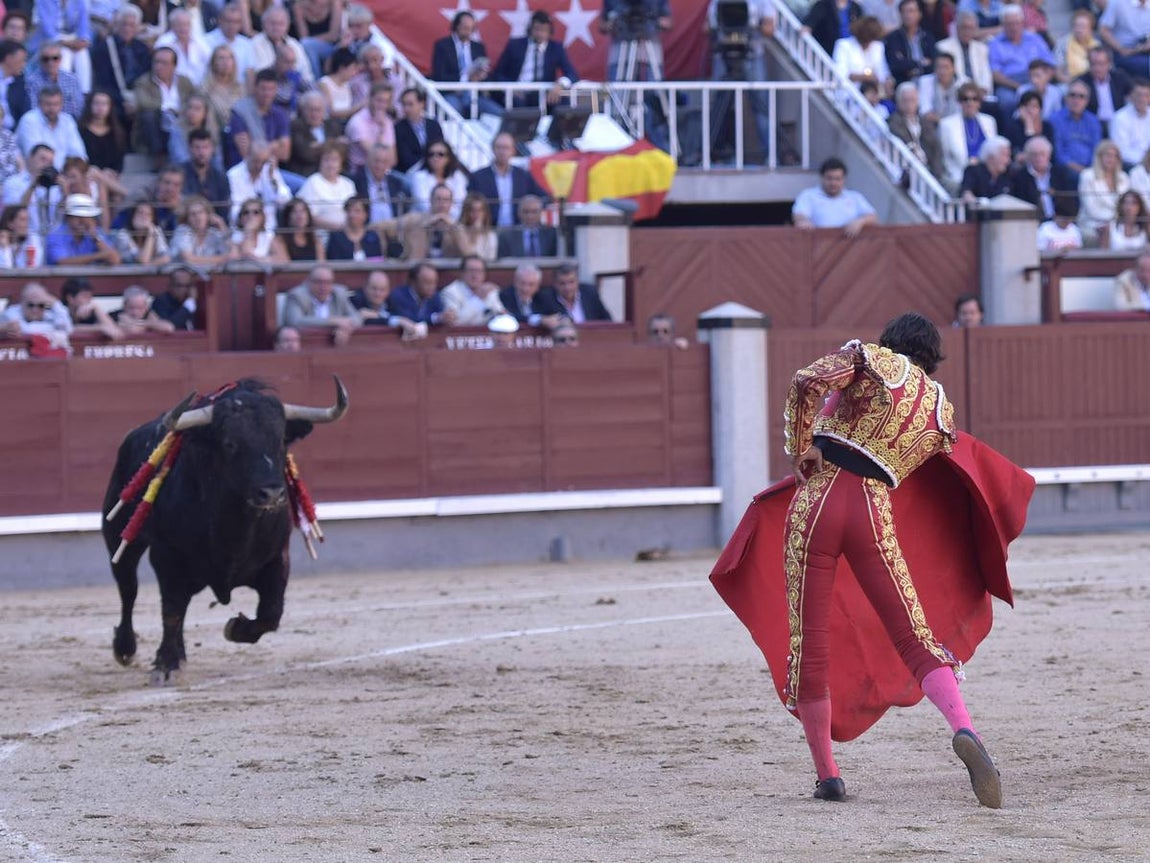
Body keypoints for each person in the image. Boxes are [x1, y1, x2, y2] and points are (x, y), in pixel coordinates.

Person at [710, 312, 1035, 809]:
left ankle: (829, 776)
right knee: (913, 636)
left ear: (892, 342)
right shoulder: (940, 407)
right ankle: (965, 728)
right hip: (872, 511)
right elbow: (940, 477)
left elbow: (807, 381)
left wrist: (800, 449)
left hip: (816, 502)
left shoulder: (868, 358)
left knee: (810, 643)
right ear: (932, 359)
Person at [491, 11, 579, 109]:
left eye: (544, 30)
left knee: (563, 101)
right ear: (530, 29)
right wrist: (511, 88)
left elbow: (572, 74)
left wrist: (560, 84)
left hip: (544, 94)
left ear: (550, 32)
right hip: (519, 93)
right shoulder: (514, 45)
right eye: (537, 29)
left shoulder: (556, 48)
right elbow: (497, 74)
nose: (540, 33)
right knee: (516, 103)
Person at [431, 11, 501, 119]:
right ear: (456, 26)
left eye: (470, 28)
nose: (467, 31)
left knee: (499, 113)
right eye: (464, 27)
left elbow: (486, 73)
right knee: (453, 113)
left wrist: (481, 76)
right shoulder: (443, 46)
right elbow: (439, 76)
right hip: (452, 93)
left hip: (474, 95)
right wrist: (466, 78)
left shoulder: (478, 47)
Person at [468, 132, 548, 227]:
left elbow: (544, 197)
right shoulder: (478, 177)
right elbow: (469, 203)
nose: (502, 152)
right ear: (493, 149)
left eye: (506, 148)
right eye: (499, 147)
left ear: (513, 151)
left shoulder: (523, 176)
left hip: (517, 230)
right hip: (489, 229)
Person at [89, 5, 152, 124]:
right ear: (117, 25)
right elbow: (103, 83)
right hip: (115, 99)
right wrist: (123, 102)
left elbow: (146, 78)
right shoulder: (104, 48)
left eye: (132, 25)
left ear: (138, 27)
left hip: (138, 99)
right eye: (124, 24)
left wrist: (137, 101)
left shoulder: (143, 49)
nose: (127, 29)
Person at [988, 4, 1055, 117]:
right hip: (1010, 83)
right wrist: (1018, 87)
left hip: (1037, 78)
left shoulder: (1034, 38)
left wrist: (1043, 81)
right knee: (1007, 101)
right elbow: (996, 74)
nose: (1013, 27)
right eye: (1009, 24)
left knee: (1057, 94)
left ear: (1022, 23)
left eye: (1016, 23)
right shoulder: (995, 43)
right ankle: (1012, 132)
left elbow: (1050, 64)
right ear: (1003, 25)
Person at [226, 68, 293, 174]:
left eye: (271, 89)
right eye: (263, 88)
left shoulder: (280, 114)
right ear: (255, 88)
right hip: (244, 171)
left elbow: (285, 153)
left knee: (300, 185)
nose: (267, 93)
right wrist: (276, 144)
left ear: (276, 90)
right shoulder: (241, 112)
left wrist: (257, 146)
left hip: (271, 171)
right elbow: (246, 152)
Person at [792, 157, 878, 234]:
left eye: (837, 179)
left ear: (844, 179)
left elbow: (873, 217)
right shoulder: (808, 195)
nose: (833, 183)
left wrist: (860, 222)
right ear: (822, 177)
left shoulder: (855, 197)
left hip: (850, 248)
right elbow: (799, 215)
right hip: (818, 248)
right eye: (829, 178)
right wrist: (804, 222)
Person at [939, 83, 999, 192]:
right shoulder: (946, 124)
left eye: (974, 99)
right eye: (965, 99)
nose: (969, 103)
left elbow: (994, 150)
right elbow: (945, 157)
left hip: (986, 174)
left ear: (979, 102)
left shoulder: (989, 121)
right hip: (959, 175)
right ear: (959, 102)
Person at [281, 264, 361, 345]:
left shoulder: (339, 294)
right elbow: (295, 322)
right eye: (319, 282)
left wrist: (345, 328)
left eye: (328, 282)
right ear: (308, 282)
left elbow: (357, 318)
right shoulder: (297, 295)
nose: (323, 287)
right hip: (306, 345)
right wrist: (332, 321)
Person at [15, 84, 86, 169]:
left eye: (56, 104)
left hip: (65, 175)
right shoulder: (29, 120)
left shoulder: (68, 121)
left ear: (62, 104)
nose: (52, 108)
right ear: (39, 104)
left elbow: (78, 153)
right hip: (36, 175)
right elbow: (36, 158)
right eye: (48, 104)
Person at [1, 144, 62, 237]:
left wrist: (66, 192)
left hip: (53, 238)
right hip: (25, 238)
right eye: (43, 159)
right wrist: (33, 185)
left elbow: (62, 215)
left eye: (50, 162)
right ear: (30, 158)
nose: (46, 165)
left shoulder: (56, 187)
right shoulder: (13, 182)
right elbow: (13, 213)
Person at [226, 145, 293, 229]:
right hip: (242, 230)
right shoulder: (233, 176)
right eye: (256, 161)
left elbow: (286, 201)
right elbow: (234, 212)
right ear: (247, 156)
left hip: (269, 231)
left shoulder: (269, 171)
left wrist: (273, 180)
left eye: (263, 162)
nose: (259, 166)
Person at [45, 192, 120, 265]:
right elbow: (62, 262)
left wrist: (95, 238)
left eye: (86, 218)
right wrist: (98, 256)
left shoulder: (96, 233)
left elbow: (115, 260)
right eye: (78, 217)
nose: (82, 222)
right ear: (68, 218)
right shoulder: (56, 235)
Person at [1009, 135, 1074, 219]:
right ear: (1028, 156)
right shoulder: (1020, 177)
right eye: (1034, 154)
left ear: (1049, 155)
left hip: (1058, 222)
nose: (1038, 158)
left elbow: (1069, 201)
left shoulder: (1060, 174)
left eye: (1042, 154)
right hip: (1032, 221)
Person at [888, 82, 944, 179]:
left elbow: (936, 148)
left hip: (931, 172)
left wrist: (936, 174)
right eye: (905, 101)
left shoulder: (925, 123)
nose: (909, 105)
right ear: (898, 102)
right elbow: (903, 138)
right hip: (910, 173)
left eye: (912, 100)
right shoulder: (893, 121)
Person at [1078, 138, 1129, 243]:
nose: (1111, 159)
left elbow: (1126, 204)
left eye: (1114, 156)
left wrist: (1116, 221)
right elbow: (1091, 209)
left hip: (1119, 223)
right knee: (1107, 232)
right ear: (1099, 157)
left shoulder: (1123, 177)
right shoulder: (1087, 176)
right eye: (1108, 155)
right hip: (1092, 223)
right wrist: (1112, 221)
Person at [1050, 81, 1103, 180]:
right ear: (1066, 98)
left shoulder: (1093, 121)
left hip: (1090, 168)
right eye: (1072, 95)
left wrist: (1090, 169)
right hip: (1065, 168)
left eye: (1081, 96)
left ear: (1087, 101)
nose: (1076, 100)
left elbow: (1097, 149)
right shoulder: (1055, 120)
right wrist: (1079, 169)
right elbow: (1058, 153)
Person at [298, 141, 356, 231]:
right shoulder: (313, 182)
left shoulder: (348, 184)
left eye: (335, 160)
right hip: (323, 234)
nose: (330, 165)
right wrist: (337, 227)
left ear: (341, 163)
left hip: (347, 234)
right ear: (320, 162)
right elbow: (308, 216)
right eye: (326, 160)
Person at [250, 5, 313, 86]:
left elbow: (306, 72)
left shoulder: (294, 44)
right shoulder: (255, 43)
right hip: (268, 89)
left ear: (287, 26)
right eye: (273, 23)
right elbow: (259, 71)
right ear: (263, 24)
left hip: (295, 88)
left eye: (281, 24)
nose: (276, 27)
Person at [1075, 47, 1132, 136]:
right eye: (1093, 64)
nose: (1097, 68)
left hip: (1118, 124)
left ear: (1109, 64)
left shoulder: (1119, 77)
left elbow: (1135, 93)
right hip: (1092, 126)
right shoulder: (1082, 81)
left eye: (1101, 64)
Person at [287, 92, 346, 177]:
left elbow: (342, 152)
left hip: (332, 172)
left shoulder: (332, 126)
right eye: (310, 110)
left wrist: (317, 146)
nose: (314, 114)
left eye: (318, 110)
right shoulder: (296, 126)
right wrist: (332, 144)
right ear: (303, 111)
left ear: (324, 111)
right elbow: (306, 154)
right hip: (306, 173)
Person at [936, 12, 994, 97]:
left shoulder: (982, 48)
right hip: (957, 93)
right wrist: (972, 90)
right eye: (964, 27)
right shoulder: (943, 47)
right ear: (957, 28)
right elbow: (953, 76)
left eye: (971, 28)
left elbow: (986, 73)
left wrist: (983, 89)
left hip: (980, 95)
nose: (967, 31)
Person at [440, 254, 507, 326]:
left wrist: (502, 314)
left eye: (479, 271)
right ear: (462, 273)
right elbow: (455, 322)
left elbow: (501, 318)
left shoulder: (489, 291)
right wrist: (477, 299)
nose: (475, 275)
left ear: (484, 274)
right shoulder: (450, 292)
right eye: (471, 271)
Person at [833, 16, 892, 96]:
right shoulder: (843, 45)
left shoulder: (878, 46)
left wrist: (887, 81)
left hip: (874, 95)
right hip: (849, 94)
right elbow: (841, 74)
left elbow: (882, 72)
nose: (868, 43)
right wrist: (865, 77)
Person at [409, 140, 468, 220]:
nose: (435, 158)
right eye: (431, 154)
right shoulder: (419, 177)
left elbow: (460, 203)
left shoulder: (458, 177)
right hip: (423, 222)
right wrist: (440, 217)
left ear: (448, 158)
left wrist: (446, 218)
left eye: (440, 154)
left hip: (451, 222)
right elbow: (423, 204)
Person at [387, 260, 455, 327]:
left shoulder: (435, 296)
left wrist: (447, 317)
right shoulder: (398, 296)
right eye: (428, 282)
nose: (432, 287)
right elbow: (409, 319)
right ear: (413, 282)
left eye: (434, 282)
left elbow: (441, 315)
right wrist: (436, 318)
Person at [171, 194, 234, 267]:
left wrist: (222, 226)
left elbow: (233, 255)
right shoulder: (182, 230)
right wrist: (222, 259)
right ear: (187, 218)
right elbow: (189, 259)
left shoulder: (214, 233)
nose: (197, 217)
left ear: (208, 215)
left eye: (200, 212)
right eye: (193, 214)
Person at [25, 42, 85, 119]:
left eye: (55, 58)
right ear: (40, 61)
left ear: (60, 59)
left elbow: (79, 108)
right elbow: (33, 109)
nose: (50, 62)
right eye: (46, 59)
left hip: (69, 124)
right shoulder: (32, 81)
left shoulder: (72, 79)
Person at [351, 143, 407, 224]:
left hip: (392, 230)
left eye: (384, 162)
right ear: (368, 160)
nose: (380, 166)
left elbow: (402, 211)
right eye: (376, 160)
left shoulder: (396, 183)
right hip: (368, 231)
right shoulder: (356, 181)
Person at [536, 263, 612, 322]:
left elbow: (607, 319)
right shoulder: (546, 298)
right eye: (562, 283)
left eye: (571, 282)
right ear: (555, 284)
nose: (567, 287)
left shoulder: (590, 292)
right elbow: (535, 317)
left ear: (578, 281)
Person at [204, 3, 256, 89]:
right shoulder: (206, 41)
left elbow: (250, 73)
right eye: (228, 21)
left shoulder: (246, 44)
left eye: (236, 22)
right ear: (220, 20)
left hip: (240, 92)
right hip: (213, 90)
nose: (232, 26)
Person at [182, 128, 231, 220]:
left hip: (214, 226)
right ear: (189, 149)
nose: (201, 152)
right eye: (197, 147)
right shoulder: (180, 174)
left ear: (212, 149)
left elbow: (224, 209)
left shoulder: (220, 178)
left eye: (205, 147)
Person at [883, 0, 934, 86]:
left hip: (926, 82)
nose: (907, 15)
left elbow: (933, 63)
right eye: (904, 12)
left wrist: (908, 64)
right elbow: (896, 65)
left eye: (911, 11)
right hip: (903, 83)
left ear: (919, 14)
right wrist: (921, 63)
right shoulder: (893, 38)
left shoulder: (927, 37)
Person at [155, 9, 212, 86]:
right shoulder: (163, 43)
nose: (183, 28)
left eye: (186, 24)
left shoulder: (200, 42)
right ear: (172, 26)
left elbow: (211, 63)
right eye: (179, 24)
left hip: (201, 87)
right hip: (176, 88)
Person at [393, 87, 444, 174]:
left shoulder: (433, 125)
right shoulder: (398, 128)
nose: (406, 108)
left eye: (410, 104)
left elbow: (440, 148)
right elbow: (406, 158)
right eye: (404, 105)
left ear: (422, 104)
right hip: (410, 173)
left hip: (435, 171)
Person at [498, 262, 561, 328]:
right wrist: (539, 319)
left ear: (538, 286)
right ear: (515, 282)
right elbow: (509, 317)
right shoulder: (504, 296)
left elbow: (559, 314)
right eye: (522, 283)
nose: (525, 289)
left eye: (531, 285)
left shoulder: (545, 296)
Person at [79, 90, 127, 176]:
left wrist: (113, 171)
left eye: (104, 104)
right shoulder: (81, 130)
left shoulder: (117, 132)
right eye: (96, 103)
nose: (100, 108)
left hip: (110, 175)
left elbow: (119, 160)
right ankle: (126, 190)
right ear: (89, 105)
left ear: (110, 107)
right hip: (87, 174)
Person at [1, 281, 73, 339]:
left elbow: (67, 328)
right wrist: (52, 329)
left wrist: (55, 303)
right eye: (30, 305)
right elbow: (25, 331)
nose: (35, 310)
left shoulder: (48, 311)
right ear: (22, 303)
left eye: (40, 305)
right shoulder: (11, 313)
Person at [1098, 0, 1150, 79]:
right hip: (1126, 53)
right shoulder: (1117, 3)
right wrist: (1121, 49)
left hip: (1146, 50)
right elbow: (1103, 30)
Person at [291, 0, 341, 80]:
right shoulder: (299, 6)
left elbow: (333, 35)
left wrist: (312, 41)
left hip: (332, 46)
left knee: (308, 44)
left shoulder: (334, 3)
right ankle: (315, 79)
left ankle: (317, 80)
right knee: (307, 45)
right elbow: (303, 36)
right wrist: (311, 42)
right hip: (308, 46)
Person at [202, 44, 244, 139]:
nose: (226, 62)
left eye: (229, 58)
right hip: (215, 135)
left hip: (238, 134)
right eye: (221, 58)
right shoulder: (205, 89)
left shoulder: (241, 88)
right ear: (213, 63)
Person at [62, 275, 122, 340]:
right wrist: (99, 328)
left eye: (90, 297)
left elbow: (114, 331)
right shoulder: (60, 311)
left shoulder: (91, 309)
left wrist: (96, 308)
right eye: (84, 296)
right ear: (70, 298)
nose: (89, 301)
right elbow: (67, 328)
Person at [1109, 79, 1150, 167]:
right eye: (1138, 95)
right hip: (1130, 165)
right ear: (1131, 96)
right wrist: (1145, 160)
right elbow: (1120, 151)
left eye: (1146, 95)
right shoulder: (1120, 118)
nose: (1142, 99)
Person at [271, 197, 325, 262]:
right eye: (294, 211)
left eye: (303, 211)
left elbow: (322, 264)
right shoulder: (280, 240)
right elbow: (284, 263)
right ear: (288, 217)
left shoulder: (315, 240)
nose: (299, 215)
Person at [961, 135, 1014, 201]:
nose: (1008, 161)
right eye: (1005, 155)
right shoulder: (973, 171)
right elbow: (967, 193)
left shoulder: (1008, 175)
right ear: (991, 157)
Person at [232, 195, 284, 264]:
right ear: (240, 218)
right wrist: (248, 231)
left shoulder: (268, 236)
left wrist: (260, 260)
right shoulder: (235, 237)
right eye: (246, 212)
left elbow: (283, 259)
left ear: (262, 217)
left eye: (256, 212)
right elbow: (246, 255)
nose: (250, 216)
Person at [1056, 10, 1100, 84]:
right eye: (1077, 26)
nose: (1079, 30)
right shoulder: (1063, 43)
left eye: (1083, 27)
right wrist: (1070, 83)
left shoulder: (1097, 45)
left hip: (1093, 83)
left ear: (1090, 29)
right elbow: (1057, 71)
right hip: (1070, 82)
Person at [1005, 90, 1054, 156]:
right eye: (1026, 106)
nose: (1029, 110)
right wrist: (1029, 125)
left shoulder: (1047, 127)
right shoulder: (1013, 127)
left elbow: (1052, 152)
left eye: (1034, 106)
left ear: (1040, 109)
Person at [111, 285, 177, 335]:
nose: (135, 312)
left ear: (146, 307)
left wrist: (142, 323)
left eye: (139, 308)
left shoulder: (150, 314)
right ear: (124, 305)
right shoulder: (116, 316)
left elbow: (169, 328)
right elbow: (132, 331)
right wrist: (151, 325)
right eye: (131, 308)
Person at [917, 52, 964, 123]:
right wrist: (943, 122)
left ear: (953, 68)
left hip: (958, 124)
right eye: (939, 67)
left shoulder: (963, 83)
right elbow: (925, 110)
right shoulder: (924, 81)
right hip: (932, 124)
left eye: (946, 67)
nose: (942, 71)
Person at [455, 191, 498, 261]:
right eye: (472, 210)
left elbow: (491, 260)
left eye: (480, 210)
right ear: (466, 212)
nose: (476, 214)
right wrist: (473, 236)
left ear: (485, 213)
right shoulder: (458, 230)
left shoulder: (491, 235)